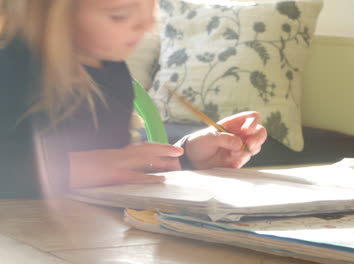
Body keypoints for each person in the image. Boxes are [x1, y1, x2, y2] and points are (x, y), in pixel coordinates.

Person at [0, 0, 267, 198]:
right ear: (52, 13)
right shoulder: (11, 68)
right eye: (120, 14)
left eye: (149, 6)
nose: (148, 25)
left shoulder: (112, 70)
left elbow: (116, 170)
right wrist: (84, 165)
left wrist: (187, 157)